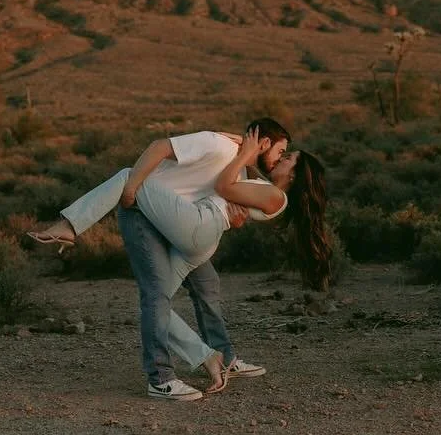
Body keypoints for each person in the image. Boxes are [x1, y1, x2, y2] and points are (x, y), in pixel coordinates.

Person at [28, 122, 329, 401]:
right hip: (198, 237)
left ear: (294, 175)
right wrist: (243, 148)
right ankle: (209, 357)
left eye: (287, 158)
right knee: (157, 303)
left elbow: (225, 187)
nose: (281, 158)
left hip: (199, 226)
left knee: (126, 177)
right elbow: (240, 183)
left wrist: (245, 155)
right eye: (281, 152)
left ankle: (69, 227)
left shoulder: (277, 196)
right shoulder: (263, 184)